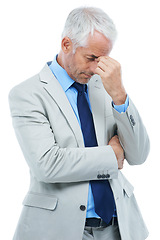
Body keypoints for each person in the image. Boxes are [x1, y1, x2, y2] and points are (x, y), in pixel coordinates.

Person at [9, 6, 150, 240]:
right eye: (91, 58)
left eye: (102, 59)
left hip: (119, 228)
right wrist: (111, 155)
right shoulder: (27, 94)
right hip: (59, 229)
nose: (96, 68)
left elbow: (138, 155)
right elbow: (47, 164)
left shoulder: (105, 85)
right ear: (66, 45)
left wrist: (120, 96)